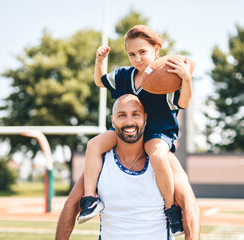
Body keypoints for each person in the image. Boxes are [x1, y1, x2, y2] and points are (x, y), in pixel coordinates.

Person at [79, 25, 194, 236]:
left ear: (156, 48)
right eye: (131, 54)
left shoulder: (166, 76)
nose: (137, 58)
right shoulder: (124, 75)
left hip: (156, 132)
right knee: (93, 145)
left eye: (142, 52)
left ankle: (171, 209)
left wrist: (186, 79)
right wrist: (99, 61)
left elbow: (184, 102)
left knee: (159, 157)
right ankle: (90, 200)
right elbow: (99, 81)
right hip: (127, 132)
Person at [55, 94, 200, 240]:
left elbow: (190, 206)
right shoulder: (101, 161)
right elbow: (71, 205)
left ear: (145, 118)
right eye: (122, 115)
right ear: (113, 120)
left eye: (135, 115)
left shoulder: (163, 159)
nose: (129, 122)